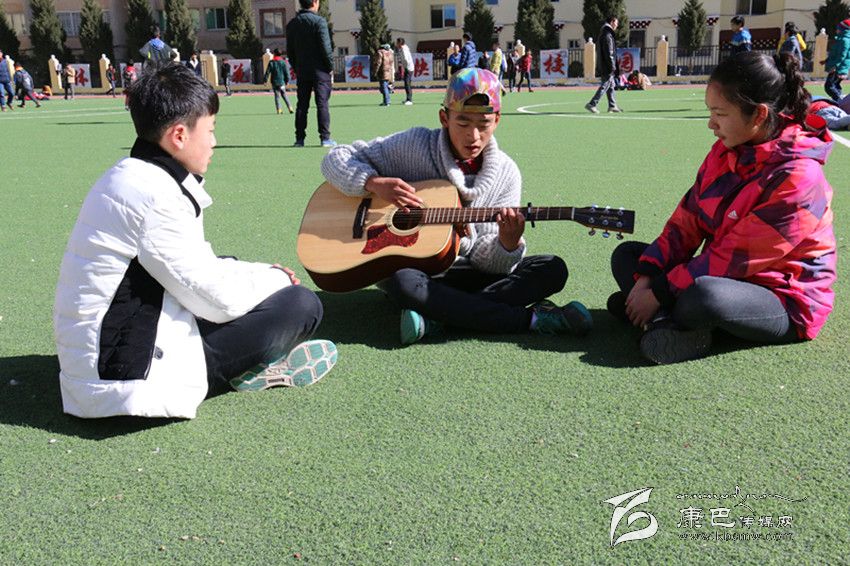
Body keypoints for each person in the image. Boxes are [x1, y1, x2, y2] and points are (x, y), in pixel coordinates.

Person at [53, 64, 338, 419]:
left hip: (97, 355)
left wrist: (262, 272)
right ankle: (245, 367)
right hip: (122, 379)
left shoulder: (130, 175)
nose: (214, 142)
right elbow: (215, 300)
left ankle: (251, 356)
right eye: (210, 130)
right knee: (300, 305)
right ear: (179, 135)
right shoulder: (155, 196)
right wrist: (276, 279)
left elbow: (197, 269)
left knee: (235, 271)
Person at [320, 68, 591, 346]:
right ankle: (529, 320)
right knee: (403, 282)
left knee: (551, 268)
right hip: (421, 275)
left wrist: (506, 244)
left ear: (497, 120)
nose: (473, 136)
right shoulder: (414, 146)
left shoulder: (507, 173)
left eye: (484, 124)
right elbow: (336, 158)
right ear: (444, 118)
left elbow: (487, 264)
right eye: (462, 122)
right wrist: (372, 182)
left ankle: (438, 316)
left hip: (470, 275)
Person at [607, 52, 835, 365]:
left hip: (783, 297)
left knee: (704, 296)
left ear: (758, 115)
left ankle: (661, 317)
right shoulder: (724, 151)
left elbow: (733, 258)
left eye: (720, 113)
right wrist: (647, 278)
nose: (711, 123)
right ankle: (664, 322)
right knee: (629, 256)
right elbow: (686, 223)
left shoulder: (798, 177)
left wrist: (658, 292)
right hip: (725, 275)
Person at [286, 0, 336, 148]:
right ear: (315, 2)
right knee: (322, 103)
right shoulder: (319, 22)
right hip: (320, 70)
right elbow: (326, 48)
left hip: (303, 70)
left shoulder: (292, 24)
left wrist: (297, 67)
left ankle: (299, 139)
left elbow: (290, 51)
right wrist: (330, 67)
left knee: (302, 105)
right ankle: (325, 138)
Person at [585, 16, 621, 113]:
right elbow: (609, 52)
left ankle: (612, 105)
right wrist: (612, 66)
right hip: (607, 64)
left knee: (611, 84)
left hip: (604, 63)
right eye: (616, 23)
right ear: (612, 22)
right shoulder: (607, 34)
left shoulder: (604, 32)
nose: (617, 25)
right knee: (605, 84)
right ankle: (592, 104)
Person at [823, 18, 850, 101]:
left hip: (838, 68)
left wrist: (835, 66)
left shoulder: (845, 40)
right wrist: (826, 60)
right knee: (835, 85)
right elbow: (834, 53)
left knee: (829, 86)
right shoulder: (840, 39)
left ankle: (839, 101)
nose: (836, 30)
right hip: (837, 66)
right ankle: (839, 100)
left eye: (838, 28)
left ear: (843, 29)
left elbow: (842, 55)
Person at [264, 48, 293, 114]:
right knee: (284, 95)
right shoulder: (283, 62)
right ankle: (290, 108)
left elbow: (267, 72)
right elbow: (286, 72)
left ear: (274, 54)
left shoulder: (271, 62)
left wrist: (265, 80)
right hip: (282, 82)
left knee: (277, 96)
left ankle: (279, 109)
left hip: (274, 82)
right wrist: (287, 80)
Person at [396, 37, 414, 105]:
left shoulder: (404, 49)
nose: (396, 44)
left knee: (407, 84)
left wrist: (405, 67)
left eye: (397, 42)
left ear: (400, 43)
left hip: (408, 68)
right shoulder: (402, 48)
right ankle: (408, 99)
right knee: (407, 83)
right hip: (408, 67)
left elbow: (405, 59)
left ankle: (409, 100)